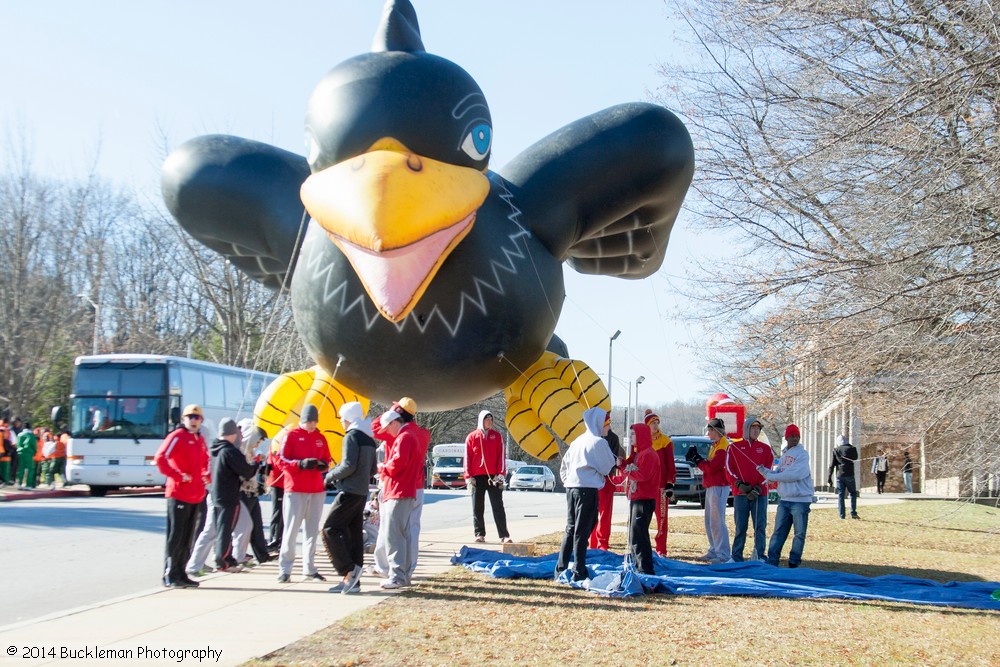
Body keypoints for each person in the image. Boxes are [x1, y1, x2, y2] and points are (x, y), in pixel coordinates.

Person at [372, 398, 430, 589]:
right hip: (412, 488)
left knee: (393, 534)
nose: (386, 432)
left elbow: (374, 428)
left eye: (388, 427)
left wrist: (382, 468)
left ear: (396, 419)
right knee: (407, 532)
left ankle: (395, 574)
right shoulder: (419, 433)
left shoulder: (403, 436)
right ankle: (404, 572)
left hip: (398, 490)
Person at [556, 407, 616, 581]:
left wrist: (568, 481)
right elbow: (606, 467)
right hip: (587, 490)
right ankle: (578, 570)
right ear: (599, 424)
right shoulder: (598, 442)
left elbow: (564, 466)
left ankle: (561, 567)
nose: (608, 428)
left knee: (571, 528)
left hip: (571, 489)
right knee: (582, 530)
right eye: (607, 424)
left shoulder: (577, 441)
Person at [322, 401, 377, 594]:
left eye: (342, 418)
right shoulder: (370, 438)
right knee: (353, 535)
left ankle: (348, 569)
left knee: (330, 529)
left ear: (348, 418)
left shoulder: (351, 436)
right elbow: (373, 469)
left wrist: (329, 476)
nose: (341, 422)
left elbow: (348, 465)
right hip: (362, 492)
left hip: (349, 491)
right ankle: (353, 581)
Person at [153, 404, 210, 588]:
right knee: (176, 536)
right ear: (184, 419)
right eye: (190, 417)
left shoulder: (200, 439)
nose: (193, 420)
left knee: (188, 536)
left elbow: (205, 461)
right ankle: (169, 574)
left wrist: (205, 476)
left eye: (197, 417)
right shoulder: (177, 436)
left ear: (201, 420)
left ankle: (181, 572)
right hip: (178, 494)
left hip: (195, 496)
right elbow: (160, 458)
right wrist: (179, 476)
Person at [276, 404, 331, 583]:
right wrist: (299, 464)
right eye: (309, 421)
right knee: (291, 530)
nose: (312, 424)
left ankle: (309, 568)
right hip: (295, 488)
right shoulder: (291, 435)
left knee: (312, 531)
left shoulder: (320, 437)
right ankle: (285, 569)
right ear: (302, 419)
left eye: (314, 421)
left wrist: (323, 465)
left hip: (316, 489)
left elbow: (327, 459)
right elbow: (280, 460)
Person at [758, 424, 814, 568]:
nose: (794, 438)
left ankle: (794, 562)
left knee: (799, 533)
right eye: (791, 436)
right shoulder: (784, 456)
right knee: (778, 532)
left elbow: (795, 474)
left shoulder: (802, 454)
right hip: (785, 500)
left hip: (800, 501)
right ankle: (772, 561)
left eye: (796, 436)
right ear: (787, 438)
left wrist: (773, 476)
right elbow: (780, 472)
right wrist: (766, 472)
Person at [210, 418, 260, 573]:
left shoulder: (216, 448)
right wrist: (255, 464)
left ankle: (228, 558)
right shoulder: (230, 451)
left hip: (215, 494)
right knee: (226, 529)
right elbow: (246, 471)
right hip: (229, 496)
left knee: (222, 528)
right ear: (232, 434)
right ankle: (223, 561)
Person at [725, 415, 774, 561]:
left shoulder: (765, 449)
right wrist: (739, 484)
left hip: (760, 494)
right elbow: (728, 468)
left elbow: (769, 470)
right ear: (747, 429)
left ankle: (759, 555)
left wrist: (758, 488)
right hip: (741, 494)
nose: (756, 431)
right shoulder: (734, 447)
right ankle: (736, 556)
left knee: (760, 526)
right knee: (741, 526)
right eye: (753, 427)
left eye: (758, 428)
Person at [686, 417, 732, 564]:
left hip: (719, 486)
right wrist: (698, 460)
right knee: (710, 521)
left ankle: (723, 553)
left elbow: (712, 468)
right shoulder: (716, 445)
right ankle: (714, 549)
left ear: (715, 431)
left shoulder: (723, 447)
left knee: (717, 521)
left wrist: (698, 460)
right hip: (712, 486)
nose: (708, 432)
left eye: (710, 429)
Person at [464, 410, 512, 544]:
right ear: (481, 420)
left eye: (491, 419)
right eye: (487, 419)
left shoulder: (497, 437)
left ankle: (504, 535)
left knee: (498, 506)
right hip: (477, 477)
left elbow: (501, 456)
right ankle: (479, 534)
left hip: (493, 477)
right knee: (477, 507)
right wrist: (468, 476)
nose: (490, 421)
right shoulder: (472, 437)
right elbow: (467, 457)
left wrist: (501, 474)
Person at [622, 421, 660, 574]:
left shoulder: (648, 454)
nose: (630, 437)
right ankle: (639, 566)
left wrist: (625, 471)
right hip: (638, 498)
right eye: (630, 434)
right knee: (634, 535)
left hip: (644, 500)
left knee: (639, 536)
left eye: (633, 434)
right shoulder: (639, 453)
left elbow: (642, 475)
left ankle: (645, 569)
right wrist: (623, 466)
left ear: (641, 435)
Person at [231, 418, 271, 567]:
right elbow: (244, 472)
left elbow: (253, 472)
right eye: (257, 440)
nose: (258, 444)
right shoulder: (239, 451)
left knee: (256, 526)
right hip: (242, 493)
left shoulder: (252, 452)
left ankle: (262, 555)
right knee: (243, 527)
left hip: (253, 492)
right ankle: (237, 555)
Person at [643, 409, 676, 556]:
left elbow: (670, 464)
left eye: (657, 423)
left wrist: (670, 483)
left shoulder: (665, 441)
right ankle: (642, 547)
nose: (655, 425)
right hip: (645, 487)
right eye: (652, 423)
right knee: (643, 518)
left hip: (661, 487)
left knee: (661, 519)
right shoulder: (642, 441)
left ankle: (661, 548)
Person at [589, 413, 623, 550]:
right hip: (592, 480)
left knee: (605, 513)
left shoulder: (613, 438)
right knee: (591, 513)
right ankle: (592, 544)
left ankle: (602, 543)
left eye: (609, 423)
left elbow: (613, 460)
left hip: (607, 480)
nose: (609, 426)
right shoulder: (591, 437)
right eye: (607, 423)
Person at [828, 434, 860, 519]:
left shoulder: (836, 450)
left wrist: (829, 478)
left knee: (841, 495)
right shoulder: (852, 448)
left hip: (839, 475)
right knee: (853, 493)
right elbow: (855, 458)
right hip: (849, 474)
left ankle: (842, 515)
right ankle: (853, 513)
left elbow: (832, 465)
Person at [264, 431, 286, 553]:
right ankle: (273, 539)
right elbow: (274, 461)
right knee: (278, 512)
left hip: (281, 481)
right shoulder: (280, 439)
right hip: (278, 482)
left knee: (282, 512)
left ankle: (278, 539)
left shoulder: (280, 438)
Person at [15, 422, 38, 490]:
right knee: (30, 469)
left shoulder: (19, 435)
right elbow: (34, 445)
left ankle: (19, 484)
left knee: (21, 468)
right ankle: (28, 485)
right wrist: (34, 452)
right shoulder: (31, 435)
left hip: (20, 452)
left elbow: (17, 444)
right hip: (28, 453)